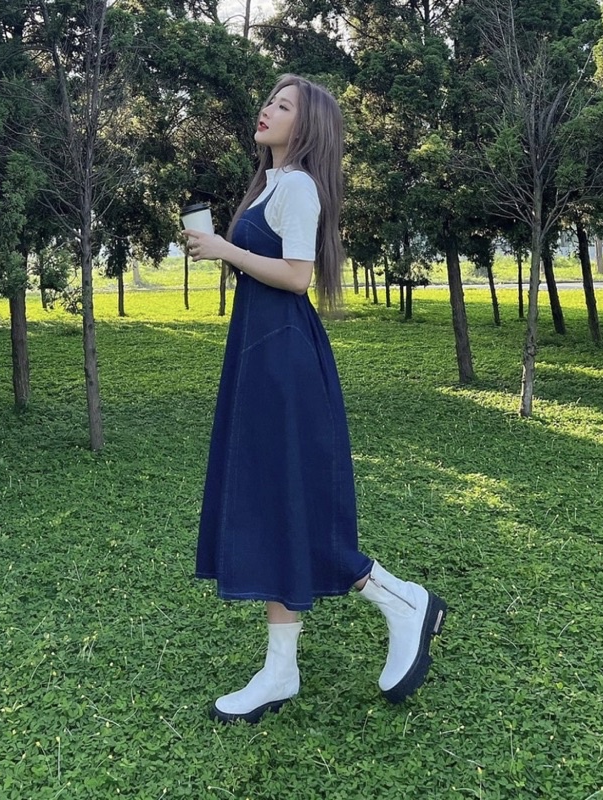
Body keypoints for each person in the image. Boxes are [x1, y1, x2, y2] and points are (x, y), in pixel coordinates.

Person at [182, 74, 447, 724]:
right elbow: (269, 267)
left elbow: (298, 277)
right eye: (269, 100)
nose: (267, 109)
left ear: (307, 127)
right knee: (275, 504)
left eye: (283, 105)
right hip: (261, 355)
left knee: (290, 502)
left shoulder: (298, 185)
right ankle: (281, 671)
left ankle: (402, 600)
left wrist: (224, 247)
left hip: (284, 363)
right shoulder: (270, 184)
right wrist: (222, 249)